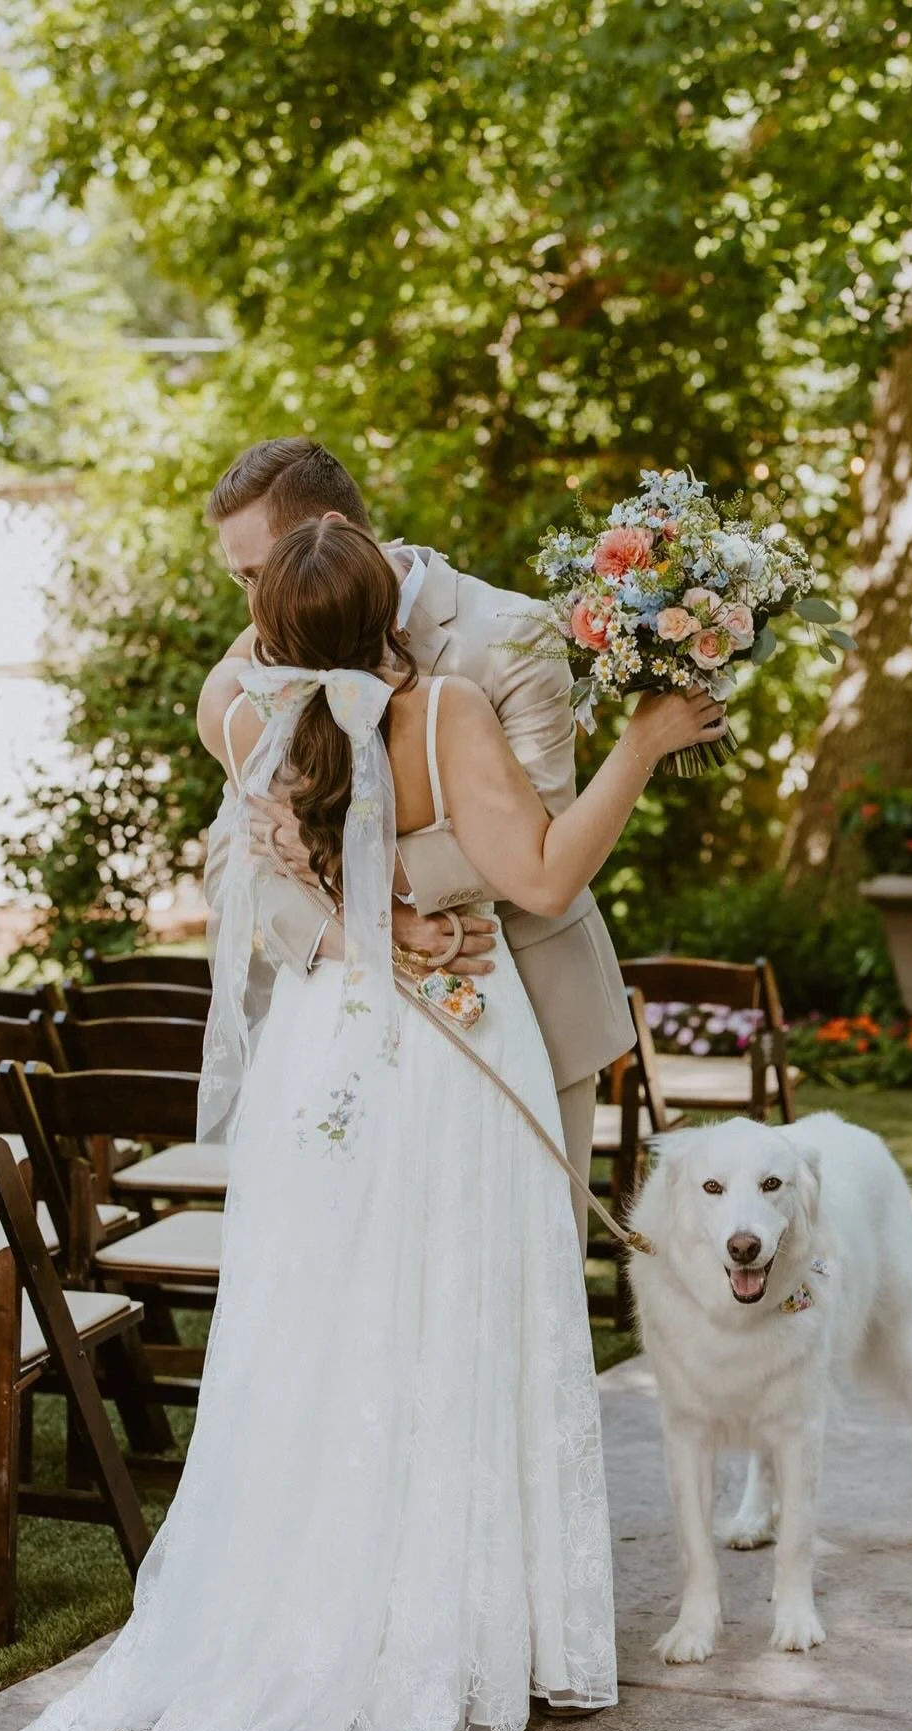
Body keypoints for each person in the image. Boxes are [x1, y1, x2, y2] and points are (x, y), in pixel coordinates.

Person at [2, 517, 725, 1731]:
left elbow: (269, 862)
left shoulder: (255, 720)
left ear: (271, 629)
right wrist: (645, 744)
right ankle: (458, 1625)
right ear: (394, 603)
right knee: (458, 1307)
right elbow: (548, 877)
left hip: (326, 1057)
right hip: (443, 1043)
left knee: (331, 1318)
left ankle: (332, 1598)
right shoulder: (442, 709)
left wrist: (361, 914)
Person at [200, 436, 634, 1257]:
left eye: (255, 574)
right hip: (354, 1012)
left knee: (524, 1277)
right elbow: (236, 858)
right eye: (242, 582)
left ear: (327, 528)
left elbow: (538, 839)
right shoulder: (264, 655)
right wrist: (364, 930)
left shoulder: (511, 633)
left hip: (523, 996)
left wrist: (347, 868)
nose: (253, 607)